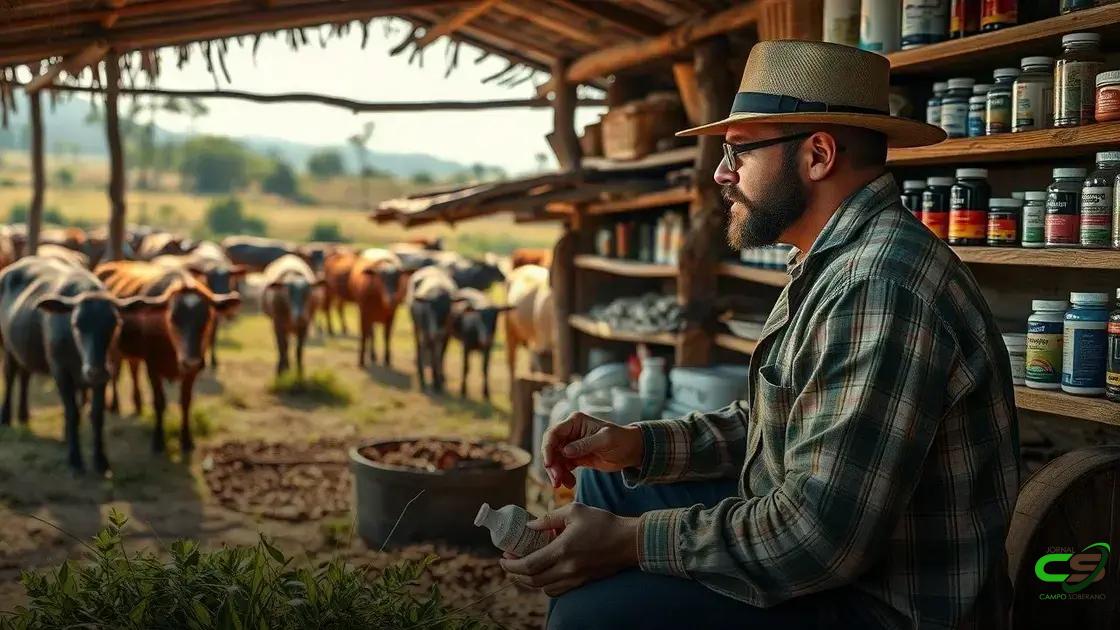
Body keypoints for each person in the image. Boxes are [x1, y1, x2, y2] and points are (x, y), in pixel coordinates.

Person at [501, 40, 1020, 629]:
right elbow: (780, 422)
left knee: (590, 615)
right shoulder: (831, 259)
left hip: (880, 603)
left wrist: (630, 542)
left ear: (818, 155)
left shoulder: (878, 286)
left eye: (740, 150)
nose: (722, 173)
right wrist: (641, 445)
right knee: (607, 487)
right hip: (826, 559)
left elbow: (817, 539)